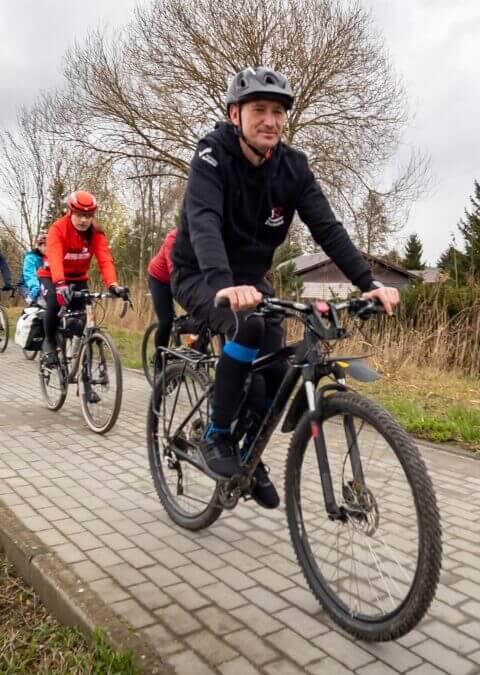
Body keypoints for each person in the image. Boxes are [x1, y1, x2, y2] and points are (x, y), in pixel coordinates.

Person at [170, 67, 399, 509]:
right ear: (235, 114)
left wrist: (368, 283)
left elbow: (328, 229)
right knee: (248, 329)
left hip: (255, 282)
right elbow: (204, 222)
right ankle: (217, 436)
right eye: (259, 110)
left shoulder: (293, 168)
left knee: (276, 372)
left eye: (278, 112)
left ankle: (248, 457)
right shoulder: (211, 156)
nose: (270, 121)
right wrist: (224, 284)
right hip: (201, 274)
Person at [37, 190, 124, 366]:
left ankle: (78, 357)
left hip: (78, 278)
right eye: (79, 215)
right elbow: (54, 257)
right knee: (54, 302)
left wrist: (113, 284)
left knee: (83, 315)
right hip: (52, 276)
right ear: (70, 212)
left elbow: (105, 260)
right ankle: (49, 342)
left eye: (88, 215)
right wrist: (60, 284)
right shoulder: (58, 229)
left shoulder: (96, 234)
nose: (84, 220)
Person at [147, 227, 178, 358]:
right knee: (166, 320)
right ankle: (160, 361)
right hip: (159, 279)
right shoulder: (173, 238)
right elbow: (174, 269)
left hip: (180, 279)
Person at [21, 233, 48, 304]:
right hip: (28, 285)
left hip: (44, 285)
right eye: (45, 246)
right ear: (39, 246)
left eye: (50, 246)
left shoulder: (51, 257)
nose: (48, 248)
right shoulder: (30, 257)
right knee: (35, 305)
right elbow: (30, 274)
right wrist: (35, 287)